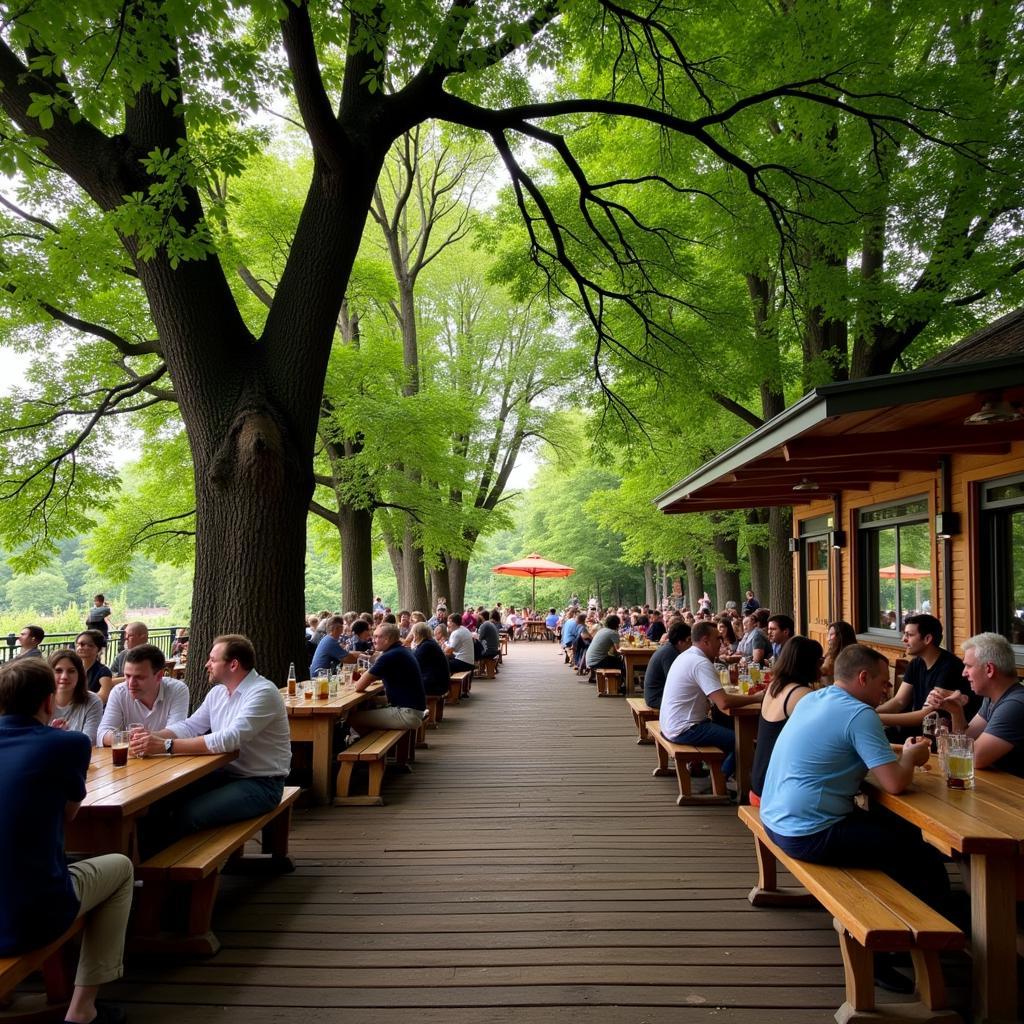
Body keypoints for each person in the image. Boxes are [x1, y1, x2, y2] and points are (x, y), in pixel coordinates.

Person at [759, 643, 950, 986]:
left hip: (777, 818)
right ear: (863, 677)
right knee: (924, 860)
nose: (888, 688)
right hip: (809, 831)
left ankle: (910, 928)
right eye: (883, 681)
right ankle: (897, 950)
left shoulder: (816, 698)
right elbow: (893, 783)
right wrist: (912, 759)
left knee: (900, 834)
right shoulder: (859, 714)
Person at [0, 657, 134, 1024]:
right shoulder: (69, 744)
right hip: (29, 919)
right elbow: (70, 813)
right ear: (48, 702)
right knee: (120, 868)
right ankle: (82, 1008)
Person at [131, 634, 292, 843]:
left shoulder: (263, 692)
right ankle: (142, 868)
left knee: (187, 815)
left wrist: (167, 746)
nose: (207, 664)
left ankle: (173, 871)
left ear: (233, 664)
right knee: (156, 802)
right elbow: (191, 726)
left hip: (261, 784)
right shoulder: (218, 693)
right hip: (223, 776)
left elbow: (230, 739)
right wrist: (152, 736)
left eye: (213, 660)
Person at [659, 620, 762, 778]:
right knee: (743, 742)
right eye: (717, 639)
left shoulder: (686, 656)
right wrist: (757, 698)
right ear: (706, 640)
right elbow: (723, 702)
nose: (720, 643)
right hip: (686, 728)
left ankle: (723, 771)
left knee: (727, 726)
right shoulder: (700, 662)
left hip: (671, 724)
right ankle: (720, 780)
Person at [926, 632, 1024, 774]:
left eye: (968, 666)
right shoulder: (991, 698)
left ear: (989, 669)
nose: (963, 673)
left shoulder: (1015, 704)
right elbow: (964, 741)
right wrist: (956, 712)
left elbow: (975, 757)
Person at [748, 636, 822, 805]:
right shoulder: (803, 695)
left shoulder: (774, 687)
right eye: (819, 660)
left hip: (758, 784)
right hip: (773, 791)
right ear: (809, 663)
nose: (822, 666)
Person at [877, 613, 971, 736]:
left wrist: (875, 718)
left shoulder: (950, 667)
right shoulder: (915, 663)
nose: (903, 639)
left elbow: (926, 715)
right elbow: (899, 701)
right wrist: (871, 712)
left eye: (909, 635)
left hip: (941, 736)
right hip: (916, 733)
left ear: (927, 639)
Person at [97, 645, 188, 748]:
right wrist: (129, 738)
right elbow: (102, 734)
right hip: (130, 758)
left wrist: (146, 738)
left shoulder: (177, 690)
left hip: (165, 758)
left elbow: (178, 731)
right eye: (127, 676)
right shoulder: (119, 692)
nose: (131, 684)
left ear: (159, 676)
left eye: (139, 677)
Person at [348, 623, 427, 734]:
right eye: (373, 635)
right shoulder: (401, 651)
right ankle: (369, 742)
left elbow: (359, 686)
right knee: (370, 702)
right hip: (415, 709)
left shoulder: (389, 656)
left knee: (352, 718)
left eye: (377, 636)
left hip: (407, 713)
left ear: (387, 639)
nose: (373, 639)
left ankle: (368, 746)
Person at [48, 649, 104, 746]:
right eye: (58, 671)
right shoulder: (38, 700)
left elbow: (89, 742)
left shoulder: (92, 701)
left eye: (71, 671)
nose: (64, 676)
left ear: (80, 675)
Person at [643, 620, 691, 710]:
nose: (691, 645)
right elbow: (675, 682)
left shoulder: (669, 649)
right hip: (656, 699)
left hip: (656, 695)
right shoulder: (670, 654)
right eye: (689, 641)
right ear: (681, 642)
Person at [409, 621, 451, 697]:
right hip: (440, 683)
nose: (412, 636)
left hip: (435, 685)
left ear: (418, 634)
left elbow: (413, 663)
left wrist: (412, 647)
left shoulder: (426, 645)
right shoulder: (429, 643)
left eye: (413, 634)